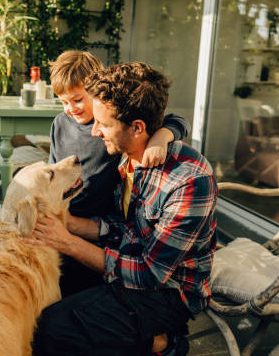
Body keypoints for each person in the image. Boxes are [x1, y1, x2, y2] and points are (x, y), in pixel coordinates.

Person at [30, 62, 218, 356]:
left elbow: (149, 275)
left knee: (53, 328)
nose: (94, 133)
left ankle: (166, 343)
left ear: (138, 127)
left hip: (169, 293)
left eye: (103, 125)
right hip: (128, 264)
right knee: (50, 306)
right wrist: (69, 224)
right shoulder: (128, 160)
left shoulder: (189, 181)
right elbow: (120, 225)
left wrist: (68, 243)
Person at [48, 50, 190, 296]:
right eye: (63, 102)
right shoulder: (60, 124)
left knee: (83, 287)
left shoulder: (117, 127)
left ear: (96, 91)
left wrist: (162, 136)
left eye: (78, 99)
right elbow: (53, 169)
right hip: (67, 213)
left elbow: (176, 120)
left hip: (103, 225)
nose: (71, 109)